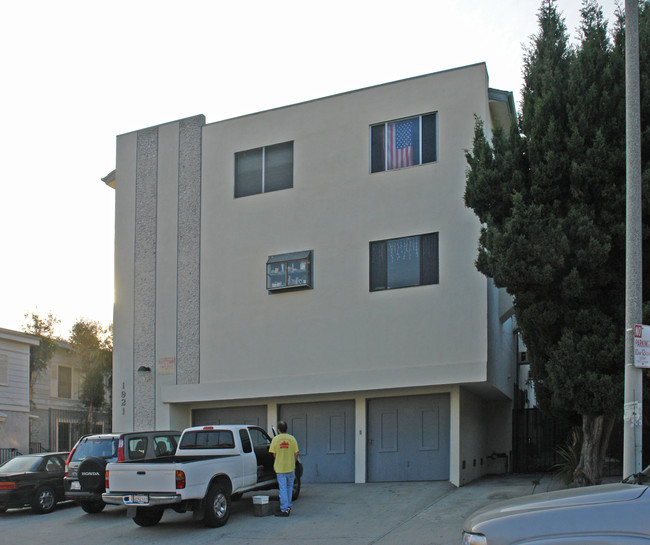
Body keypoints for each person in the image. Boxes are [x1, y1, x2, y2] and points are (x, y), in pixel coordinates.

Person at [269, 420, 299, 517]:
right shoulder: (292, 439)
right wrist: (293, 462)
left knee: (283, 488)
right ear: (286, 429)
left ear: (278, 430)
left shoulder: (275, 440)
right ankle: (288, 506)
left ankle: (284, 509)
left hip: (280, 468)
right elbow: (296, 453)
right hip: (291, 468)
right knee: (289, 487)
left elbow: (274, 454)